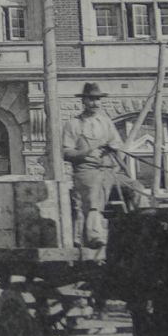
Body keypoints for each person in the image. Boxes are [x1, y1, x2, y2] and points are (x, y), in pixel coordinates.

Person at [60, 82, 125, 253]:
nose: (95, 103)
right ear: (84, 101)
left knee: (137, 189)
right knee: (93, 195)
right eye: (91, 99)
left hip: (109, 171)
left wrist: (117, 162)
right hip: (86, 171)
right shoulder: (73, 124)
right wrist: (87, 152)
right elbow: (66, 153)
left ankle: (140, 229)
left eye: (98, 99)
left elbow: (118, 146)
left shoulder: (106, 122)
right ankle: (94, 238)